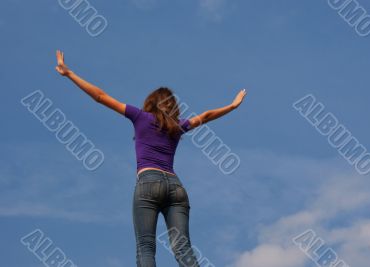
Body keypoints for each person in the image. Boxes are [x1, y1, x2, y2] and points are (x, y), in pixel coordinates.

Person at [55, 50, 247, 267]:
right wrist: (232, 106)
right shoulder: (178, 126)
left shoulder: (140, 117)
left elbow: (100, 96)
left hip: (148, 182)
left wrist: (69, 74)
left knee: (146, 247)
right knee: (183, 248)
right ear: (173, 107)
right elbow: (205, 116)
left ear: (150, 104)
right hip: (176, 187)